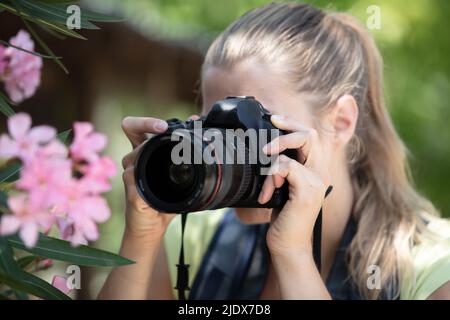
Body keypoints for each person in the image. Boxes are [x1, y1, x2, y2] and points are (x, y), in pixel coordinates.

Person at [98, 3, 450, 300]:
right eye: (216, 132)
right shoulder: (194, 238)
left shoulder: (432, 267)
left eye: (256, 128)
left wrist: (294, 254)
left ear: (342, 122)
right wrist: (141, 236)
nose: (233, 154)